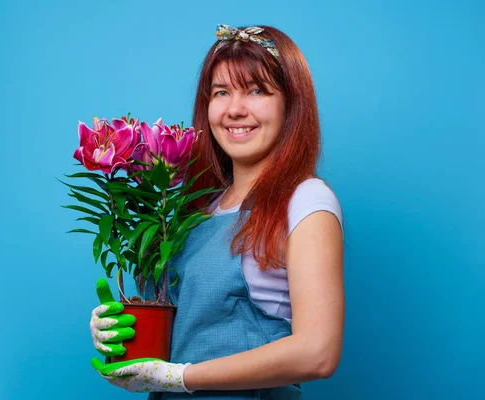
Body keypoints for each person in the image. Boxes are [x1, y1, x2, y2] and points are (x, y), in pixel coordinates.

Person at [89, 24, 345, 399]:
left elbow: (317, 353)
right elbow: (178, 338)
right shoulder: (197, 210)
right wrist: (124, 335)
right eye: (221, 92)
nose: (235, 110)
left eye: (256, 91)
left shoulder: (305, 200)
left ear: (291, 104)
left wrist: (181, 377)